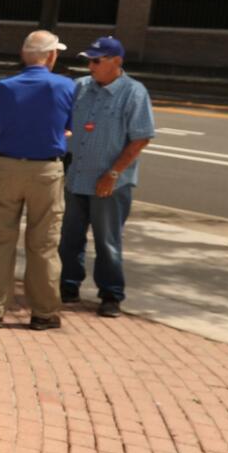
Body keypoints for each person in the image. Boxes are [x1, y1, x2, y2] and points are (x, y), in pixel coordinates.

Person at [0, 29, 77, 329]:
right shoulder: (65, 86)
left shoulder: (4, 86)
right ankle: (43, 312)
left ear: (25, 54)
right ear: (51, 55)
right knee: (44, 243)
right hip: (45, 170)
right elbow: (68, 127)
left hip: (7, 166)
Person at [61, 36, 156, 317]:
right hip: (76, 176)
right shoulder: (81, 88)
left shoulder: (133, 92)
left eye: (96, 61)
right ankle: (68, 284)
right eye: (88, 60)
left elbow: (140, 138)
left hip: (110, 183)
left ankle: (111, 293)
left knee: (107, 241)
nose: (90, 66)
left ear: (117, 62)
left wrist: (113, 174)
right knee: (70, 236)